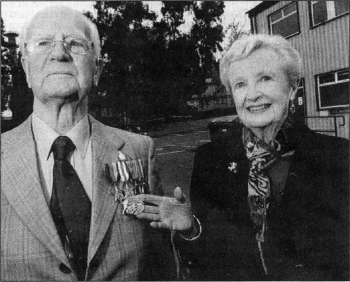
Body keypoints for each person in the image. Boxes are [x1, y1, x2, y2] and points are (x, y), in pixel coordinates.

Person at [1, 6, 194, 281]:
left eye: (75, 43)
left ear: (97, 70)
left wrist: (186, 232)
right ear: (25, 69)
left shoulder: (139, 150)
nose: (59, 53)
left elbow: (160, 265)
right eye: (44, 44)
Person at [173, 34, 349, 280]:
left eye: (265, 78)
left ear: (292, 87)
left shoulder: (339, 157)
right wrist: (191, 230)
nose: (252, 95)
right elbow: (204, 264)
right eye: (240, 84)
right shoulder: (210, 160)